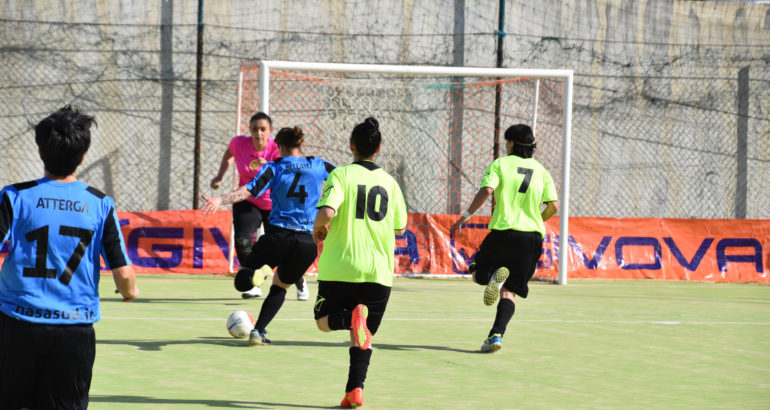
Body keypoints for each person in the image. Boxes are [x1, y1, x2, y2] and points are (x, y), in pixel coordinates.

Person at [0, 105, 139, 409]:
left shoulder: (14, 196)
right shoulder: (100, 204)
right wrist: (129, 291)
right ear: (84, 155)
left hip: (17, 325)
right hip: (73, 330)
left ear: (39, 151)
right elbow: (124, 276)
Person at [202, 126, 335, 345]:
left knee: (242, 283)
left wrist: (219, 200)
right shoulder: (318, 164)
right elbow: (343, 178)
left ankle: (259, 273)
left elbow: (248, 191)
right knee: (280, 286)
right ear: (300, 145)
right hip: (306, 243)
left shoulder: (274, 168)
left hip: (277, 238)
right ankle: (258, 331)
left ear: (280, 147)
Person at [312, 117, 407, 408]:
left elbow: (328, 211)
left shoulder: (340, 175)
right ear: (378, 148)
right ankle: (355, 389)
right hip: (377, 273)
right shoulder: (390, 182)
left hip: (341, 266)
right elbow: (400, 228)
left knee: (323, 322)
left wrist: (318, 228)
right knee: (362, 333)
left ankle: (349, 317)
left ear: (351, 145)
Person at [450, 123, 558, 353]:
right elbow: (554, 206)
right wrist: (536, 219)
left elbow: (487, 190)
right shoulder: (542, 171)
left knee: (478, 272)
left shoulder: (500, 164)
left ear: (510, 143)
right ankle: (496, 335)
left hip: (504, 232)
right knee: (510, 292)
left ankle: (491, 279)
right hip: (531, 238)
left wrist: (466, 215)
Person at [209, 112, 309, 300]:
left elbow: (294, 170)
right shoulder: (239, 144)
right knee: (243, 240)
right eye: (255, 129)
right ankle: (251, 283)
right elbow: (228, 154)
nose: (259, 133)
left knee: (285, 247)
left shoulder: (277, 149)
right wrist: (220, 175)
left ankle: (298, 278)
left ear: (270, 131)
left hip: (275, 203)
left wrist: (271, 166)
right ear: (250, 130)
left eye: (263, 129)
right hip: (248, 200)